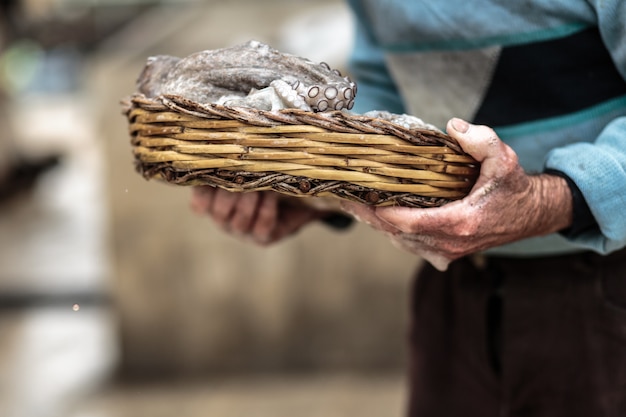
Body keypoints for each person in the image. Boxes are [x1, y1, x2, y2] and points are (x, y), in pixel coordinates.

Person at [191, 1, 626, 415]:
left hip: (606, 290)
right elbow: (384, 89)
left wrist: (544, 201)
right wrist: (317, 194)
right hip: (454, 289)